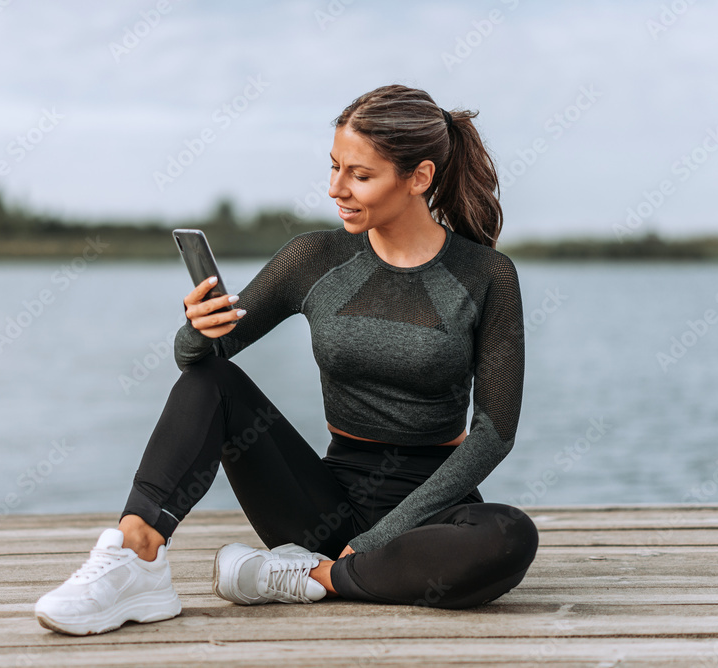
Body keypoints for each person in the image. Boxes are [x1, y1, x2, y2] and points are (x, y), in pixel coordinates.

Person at [34, 83, 539, 636]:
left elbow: (494, 432)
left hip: (429, 518)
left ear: (418, 177)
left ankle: (311, 579)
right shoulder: (314, 258)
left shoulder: (488, 276)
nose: (335, 189)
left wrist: (370, 545)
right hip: (319, 509)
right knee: (216, 380)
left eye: (359, 175)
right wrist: (198, 328)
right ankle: (138, 555)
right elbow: (200, 362)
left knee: (510, 536)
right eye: (334, 168)